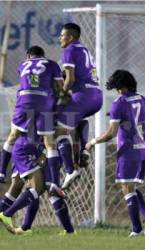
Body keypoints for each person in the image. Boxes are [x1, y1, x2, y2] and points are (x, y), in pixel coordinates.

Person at [86, 70, 145, 237]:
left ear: (121, 86)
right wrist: (144, 143)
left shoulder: (119, 103)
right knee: (131, 186)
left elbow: (111, 132)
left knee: (127, 188)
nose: (116, 90)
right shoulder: (142, 99)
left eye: (116, 87)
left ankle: (136, 229)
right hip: (142, 150)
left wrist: (92, 142)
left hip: (128, 151)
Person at [0, 46, 63, 198]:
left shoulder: (23, 64)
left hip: (25, 99)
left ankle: (1, 171)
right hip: (44, 101)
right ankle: (55, 183)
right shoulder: (52, 64)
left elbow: (28, 81)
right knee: (49, 143)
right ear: (43, 55)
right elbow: (60, 87)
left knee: (13, 136)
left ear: (29, 56)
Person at [0, 127, 74, 235]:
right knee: (39, 188)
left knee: (21, 188)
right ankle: (8, 215)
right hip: (30, 150)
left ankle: (25, 228)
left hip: (31, 148)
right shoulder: (50, 117)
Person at [56, 23, 103, 189]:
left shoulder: (68, 50)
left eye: (62, 35)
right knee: (78, 119)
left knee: (58, 130)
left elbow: (70, 79)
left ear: (70, 37)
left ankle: (70, 170)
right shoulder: (85, 50)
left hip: (83, 96)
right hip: (97, 96)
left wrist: (60, 96)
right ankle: (83, 150)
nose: (60, 38)